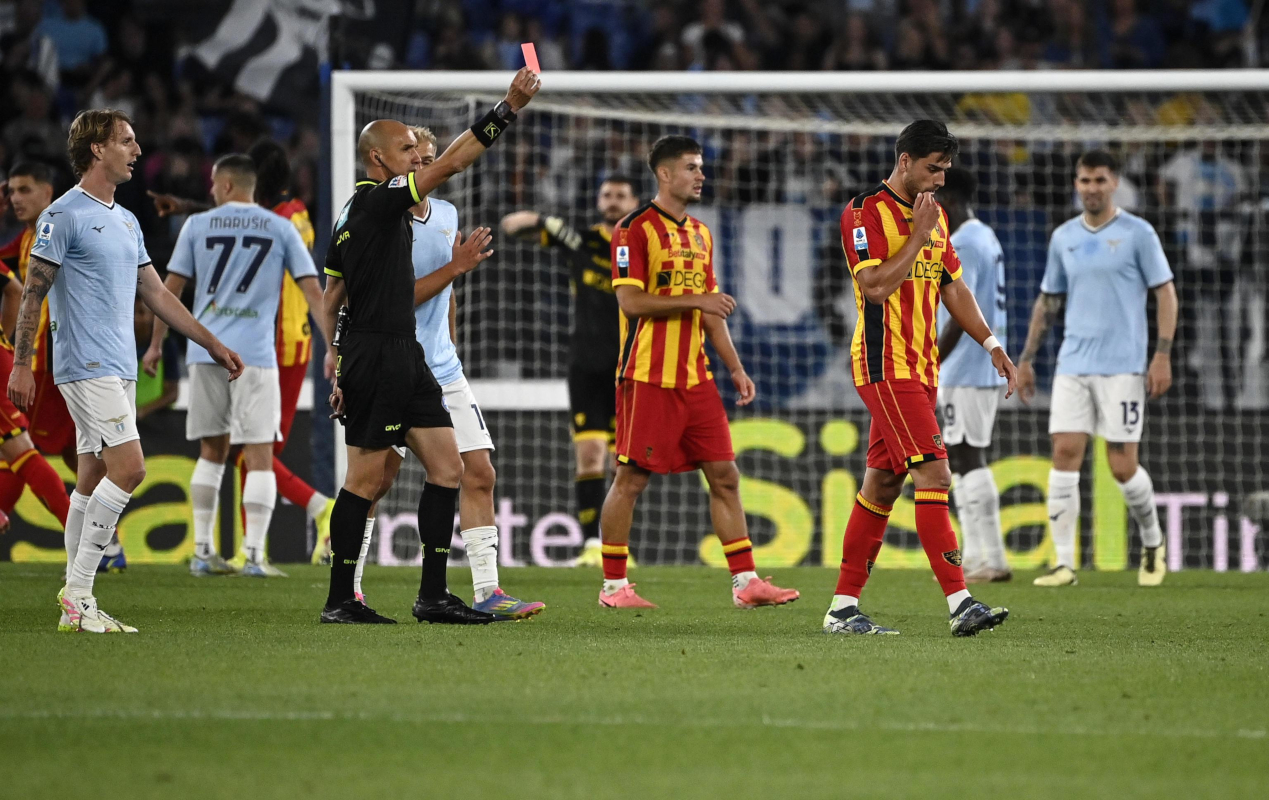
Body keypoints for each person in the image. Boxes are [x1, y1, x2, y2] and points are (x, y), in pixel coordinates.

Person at [8, 109, 244, 633]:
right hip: (83, 363)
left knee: (90, 478)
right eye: (128, 141)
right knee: (131, 469)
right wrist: (22, 364)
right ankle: (80, 594)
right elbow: (33, 293)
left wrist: (213, 341)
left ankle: (76, 600)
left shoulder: (126, 219)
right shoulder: (62, 215)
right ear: (98, 149)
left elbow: (157, 293)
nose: (137, 151)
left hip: (119, 365)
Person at [320, 69, 540, 624]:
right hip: (377, 353)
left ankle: (434, 596)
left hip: (409, 355)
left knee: (449, 468)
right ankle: (341, 599)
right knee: (367, 481)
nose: (416, 155)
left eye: (418, 148)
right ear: (377, 161)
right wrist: (506, 109)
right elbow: (454, 161)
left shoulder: (386, 212)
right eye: (405, 149)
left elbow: (335, 296)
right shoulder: (373, 202)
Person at [824, 120, 1016, 638]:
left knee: (882, 485)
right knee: (934, 474)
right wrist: (917, 235)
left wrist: (993, 345)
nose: (939, 179)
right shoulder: (863, 213)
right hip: (886, 366)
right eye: (933, 168)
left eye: (945, 169)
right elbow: (876, 287)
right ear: (904, 160)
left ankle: (842, 608)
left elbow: (953, 288)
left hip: (924, 367)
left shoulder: (937, 215)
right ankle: (960, 602)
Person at [600, 135, 799, 610]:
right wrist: (696, 300)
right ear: (665, 174)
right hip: (648, 375)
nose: (700, 174)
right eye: (691, 167)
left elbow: (712, 313)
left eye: (701, 167)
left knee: (725, 475)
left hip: (697, 378)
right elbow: (630, 301)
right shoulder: (633, 230)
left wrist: (735, 367)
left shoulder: (700, 233)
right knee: (631, 479)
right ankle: (613, 587)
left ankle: (746, 582)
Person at [147, 138, 338, 564]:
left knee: (213, 454)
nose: (212, 191)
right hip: (257, 353)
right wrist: (334, 347)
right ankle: (253, 555)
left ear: (229, 184)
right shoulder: (281, 226)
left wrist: (158, 343)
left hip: (205, 352)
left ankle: (202, 552)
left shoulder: (199, 227)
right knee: (257, 454)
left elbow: (165, 291)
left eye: (215, 184)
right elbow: (314, 292)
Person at [1017, 150, 1177, 589]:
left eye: (1100, 180)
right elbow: (1048, 301)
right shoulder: (1063, 237)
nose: (1091, 188)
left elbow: (1166, 294)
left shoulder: (1137, 233)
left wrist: (1161, 354)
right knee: (1064, 453)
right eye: (1085, 180)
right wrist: (1027, 359)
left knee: (1122, 467)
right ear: (1076, 183)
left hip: (1123, 366)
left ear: (1115, 183)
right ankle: (1064, 564)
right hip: (1073, 364)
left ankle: (1152, 542)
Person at [500, 177, 640, 568]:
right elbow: (511, 225)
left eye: (620, 195)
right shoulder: (582, 242)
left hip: (629, 367)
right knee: (590, 454)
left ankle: (617, 547)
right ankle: (592, 545)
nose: (612, 202)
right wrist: (547, 221)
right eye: (607, 195)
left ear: (634, 202)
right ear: (598, 201)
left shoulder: (641, 249)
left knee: (623, 464)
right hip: (586, 366)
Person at [934, 167, 1011, 583]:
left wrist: (932, 359)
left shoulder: (964, 242)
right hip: (973, 366)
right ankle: (981, 556)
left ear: (946, 201)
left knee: (966, 455)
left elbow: (961, 314)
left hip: (968, 366)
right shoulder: (985, 236)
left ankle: (991, 559)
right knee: (960, 456)